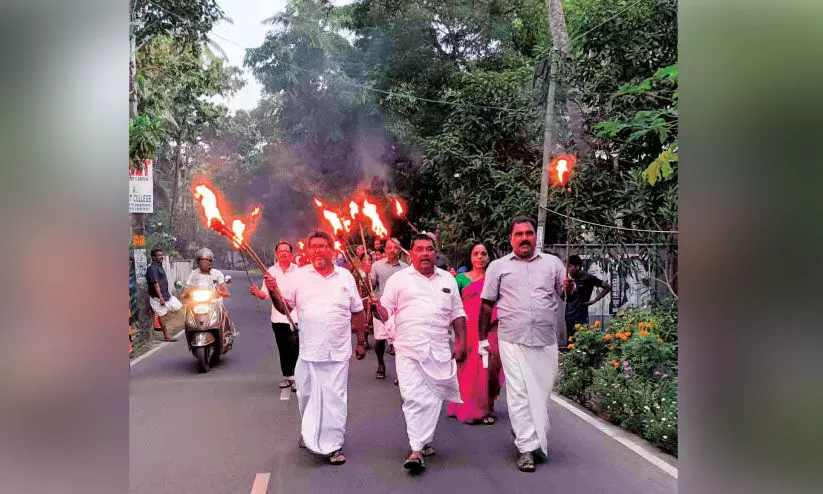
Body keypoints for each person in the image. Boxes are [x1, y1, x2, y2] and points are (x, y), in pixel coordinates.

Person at [264, 231, 365, 466]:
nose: (318, 251)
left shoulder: (345, 277)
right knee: (306, 396)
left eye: (323, 246)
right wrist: (272, 290)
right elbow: (284, 308)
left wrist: (360, 341)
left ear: (332, 250)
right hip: (308, 351)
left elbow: (358, 311)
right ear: (308, 252)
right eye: (314, 247)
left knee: (334, 400)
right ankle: (309, 431)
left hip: (337, 352)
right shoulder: (300, 277)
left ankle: (333, 446)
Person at [479, 216, 567, 473]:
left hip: (545, 339)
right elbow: (486, 303)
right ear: (511, 238)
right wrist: (483, 339)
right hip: (512, 339)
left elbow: (566, 296)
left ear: (535, 237)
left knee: (541, 393)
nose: (525, 238)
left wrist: (569, 288)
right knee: (518, 393)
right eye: (519, 234)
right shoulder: (498, 266)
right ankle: (526, 448)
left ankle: (530, 433)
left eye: (529, 233)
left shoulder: (553, 263)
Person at [374, 234, 467, 473]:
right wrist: (376, 308)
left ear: (435, 252)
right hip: (407, 347)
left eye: (429, 249)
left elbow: (457, 312)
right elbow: (386, 313)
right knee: (413, 396)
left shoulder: (447, 279)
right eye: (420, 250)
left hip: (438, 348)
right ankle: (416, 450)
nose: (425, 253)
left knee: (434, 396)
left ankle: (423, 440)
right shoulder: (398, 280)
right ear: (411, 253)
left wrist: (462, 342)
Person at [448, 241, 503, 425]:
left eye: (484, 253)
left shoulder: (495, 278)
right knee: (469, 371)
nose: (480, 257)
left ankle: (487, 405)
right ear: (470, 257)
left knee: (490, 369)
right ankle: (470, 407)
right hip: (467, 330)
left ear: (489, 257)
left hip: (489, 329)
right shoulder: (460, 279)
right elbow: (452, 304)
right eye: (476, 253)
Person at [251, 241, 300, 391]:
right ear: (276, 254)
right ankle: (287, 377)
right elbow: (265, 294)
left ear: (291, 254)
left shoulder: (299, 271)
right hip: (278, 318)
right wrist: (258, 293)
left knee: (296, 348)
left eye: (287, 251)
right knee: (283, 348)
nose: (284, 253)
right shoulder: (270, 271)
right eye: (281, 251)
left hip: (296, 316)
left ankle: (297, 378)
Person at [369, 237, 407, 379]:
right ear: (385, 249)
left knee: (400, 342)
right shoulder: (376, 266)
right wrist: (367, 274)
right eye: (390, 247)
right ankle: (380, 364)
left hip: (399, 308)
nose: (392, 250)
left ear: (400, 250)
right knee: (379, 339)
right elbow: (371, 285)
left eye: (396, 247)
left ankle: (401, 372)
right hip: (381, 307)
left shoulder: (405, 268)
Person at [562, 255, 612, 347]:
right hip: (569, 315)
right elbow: (563, 298)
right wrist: (567, 289)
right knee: (570, 343)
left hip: (581, 315)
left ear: (577, 267)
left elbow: (608, 287)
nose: (567, 269)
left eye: (569, 266)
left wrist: (596, 300)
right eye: (566, 266)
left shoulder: (587, 278)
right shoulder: (568, 279)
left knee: (581, 342)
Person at [145, 249, 182, 342]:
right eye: (159, 255)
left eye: (162, 255)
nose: (161, 257)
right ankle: (166, 336)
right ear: (153, 257)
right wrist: (161, 297)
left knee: (180, 307)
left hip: (167, 295)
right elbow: (155, 284)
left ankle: (190, 326)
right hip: (157, 298)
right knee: (161, 315)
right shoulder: (152, 268)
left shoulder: (159, 266)